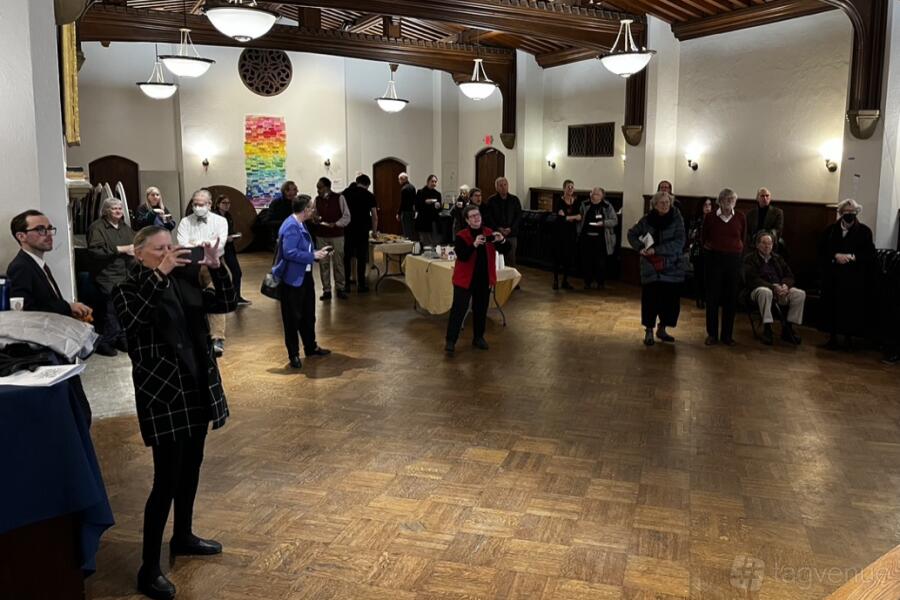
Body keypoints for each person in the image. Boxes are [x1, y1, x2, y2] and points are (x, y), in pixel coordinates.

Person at [113, 226, 235, 600]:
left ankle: (183, 534)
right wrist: (160, 273)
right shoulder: (126, 288)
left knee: (192, 466)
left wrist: (216, 266)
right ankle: (148, 568)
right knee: (165, 479)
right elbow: (132, 323)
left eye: (171, 247)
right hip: (164, 393)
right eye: (159, 250)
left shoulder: (184, 278)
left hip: (196, 386)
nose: (168, 253)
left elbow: (225, 303)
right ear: (139, 254)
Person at [8, 210, 95, 424]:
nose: (48, 234)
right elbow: (25, 312)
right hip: (43, 350)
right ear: (21, 236)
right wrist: (67, 307)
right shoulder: (21, 267)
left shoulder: (38, 264)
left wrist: (69, 308)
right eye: (40, 229)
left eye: (49, 228)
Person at [273, 194, 332, 369]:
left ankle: (310, 347)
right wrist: (313, 255)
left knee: (308, 315)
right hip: (292, 280)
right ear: (305, 209)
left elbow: (302, 249)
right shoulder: (291, 226)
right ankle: (293, 354)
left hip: (304, 277)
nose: (313, 210)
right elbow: (289, 252)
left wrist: (318, 253)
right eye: (311, 207)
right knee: (292, 319)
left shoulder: (300, 223)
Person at [445, 205, 509, 354]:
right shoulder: (461, 236)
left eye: (477, 215)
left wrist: (502, 240)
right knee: (458, 310)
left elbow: (506, 249)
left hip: (483, 280)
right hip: (465, 280)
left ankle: (478, 337)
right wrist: (473, 245)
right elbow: (462, 256)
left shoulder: (489, 233)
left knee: (480, 310)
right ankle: (450, 340)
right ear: (467, 220)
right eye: (472, 216)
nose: (476, 218)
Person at [627, 192, 685, 345]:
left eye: (667, 202)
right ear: (655, 205)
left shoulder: (677, 218)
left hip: (672, 266)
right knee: (650, 300)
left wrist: (657, 250)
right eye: (662, 203)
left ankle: (663, 328)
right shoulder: (647, 220)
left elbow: (680, 242)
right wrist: (640, 248)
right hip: (651, 267)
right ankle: (649, 330)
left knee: (670, 302)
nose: (665, 205)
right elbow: (631, 234)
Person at [176, 189, 229, 356]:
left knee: (215, 298)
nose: (197, 207)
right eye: (195, 204)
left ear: (209, 204)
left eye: (201, 204)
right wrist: (205, 243)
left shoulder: (220, 221)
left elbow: (219, 245)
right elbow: (183, 243)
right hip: (190, 265)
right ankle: (196, 335)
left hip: (213, 264)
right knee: (192, 300)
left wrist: (197, 243)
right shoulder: (185, 221)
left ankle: (218, 337)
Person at [819, 198, 875, 349]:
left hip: (853, 277)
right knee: (831, 306)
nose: (849, 215)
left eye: (852, 212)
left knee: (850, 308)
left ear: (856, 213)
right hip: (833, 275)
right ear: (841, 213)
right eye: (846, 212)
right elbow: (822, 250)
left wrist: (852, 256)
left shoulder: (864, 232)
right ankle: (832, 337)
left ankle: (848, 339)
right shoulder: (831, 231)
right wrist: (835, 256)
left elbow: (869, 254)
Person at [87, 197, 135, 356]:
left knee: (124, 308)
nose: (118, 211)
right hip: (107, 275)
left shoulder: (124, 227)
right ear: (106, 210)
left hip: (125, 274)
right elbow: (95, 251)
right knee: (110, 311)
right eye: (115, 209)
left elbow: (133, 244)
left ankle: (121, 338)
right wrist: (120, 249)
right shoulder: (97, 227)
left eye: (120, 209)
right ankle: (105, 341)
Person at [702, 188, 747, 346]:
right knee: (712, 299)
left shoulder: (740, 216)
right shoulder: (710, 217)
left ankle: (727, 335)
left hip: (734, 261)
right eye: (727, 199)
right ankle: (712, 334)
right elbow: (704, 237)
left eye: (732, 200)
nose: (730, 203)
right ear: (719, 201)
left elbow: (743, 238)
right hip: (715, 260)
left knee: (730, 299)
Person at [743, 231, 804, 345]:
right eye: (764, 243)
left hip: (779, 289)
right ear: (757, 245)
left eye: (769, 243)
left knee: (799, 294)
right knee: (765, 292)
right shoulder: (749, 259)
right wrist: (772, 287)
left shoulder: (777, 258)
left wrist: (785, 285)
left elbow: (789, 275)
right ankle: (767, 328)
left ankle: (788, 327)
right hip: (758, 290)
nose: (767, 246)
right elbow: (752, 279)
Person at [310, 177, 351, 301]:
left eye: (320, 187)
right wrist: (315, 218)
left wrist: (337, 224)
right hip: (321, 235)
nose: (318, 190)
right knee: (324, 264)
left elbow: (347, 216)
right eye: (317, 187)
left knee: (338, 263)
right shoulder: (317, 200)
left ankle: (340, 288)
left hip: (337, 235)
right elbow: (313, 214)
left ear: (327, 187)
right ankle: (326, 290)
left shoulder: (339, 198)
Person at [342, 174, 378, 293]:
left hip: (348, 229)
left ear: (357, 182)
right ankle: (361, 284)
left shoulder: (346, 193)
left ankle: (346, 283)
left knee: (347, 257)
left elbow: (341, 210)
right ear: (368, 185)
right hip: (362, 230)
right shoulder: (369, 195)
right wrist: (374, 231)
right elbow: (374, 216)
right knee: (361, 258)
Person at [213, 194, 250, 306]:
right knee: (218, 274)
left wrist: (235, 235)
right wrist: (225, 238)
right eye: (224, 203)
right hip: (217, 248)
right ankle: (221, 297)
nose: (227, 205)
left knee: (237, 272)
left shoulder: (228, 216)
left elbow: (229, 231)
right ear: (218, 204)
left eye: (228, 203)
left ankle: (236, 297)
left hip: (228, 247)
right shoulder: (214, 217)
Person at [577, 187, 618, 290]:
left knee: (600, 262)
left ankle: (600, 283)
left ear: (602, 196)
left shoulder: (607, 206)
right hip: (586, 238)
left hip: (601, 239)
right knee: (587, 261)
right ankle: (587, 282)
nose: (593, 195)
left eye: (596, 194)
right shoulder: (584, 204)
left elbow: (614, 220)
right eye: (592, 193)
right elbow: (579, 219)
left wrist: (603, 223)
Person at [486, 177, 522, 268]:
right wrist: (498, 228)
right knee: (497, 258)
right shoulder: (491, 201)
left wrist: (511, 228)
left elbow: (518, 216)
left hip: (511, 234)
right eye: (500, 185)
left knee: (511, 259)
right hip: (497, 234)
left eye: (505, 185)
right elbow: (489, 218)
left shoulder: (514, 200)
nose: (503, 187)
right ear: (496, 188)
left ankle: (512, 281)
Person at [552, 180, 581, 290]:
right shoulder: (559, 201)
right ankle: (555, 280)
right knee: (558, 256)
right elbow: (561, 219)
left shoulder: (576, 202)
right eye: (568, 187)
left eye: (572, 187)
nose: (570, 189)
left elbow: (579, 217)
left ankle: (565, 281)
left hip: (571, 233)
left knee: (568, 257)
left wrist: (568, 217)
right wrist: (572, 217)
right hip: (560, 233)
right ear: (564, 188)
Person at [688, 199, 713, 308]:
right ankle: (699, 299)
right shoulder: (696, 220)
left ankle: (707, 298)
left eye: (709, 205)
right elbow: (691, 235)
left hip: (710, 251)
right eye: (705, 205)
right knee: (698, 275)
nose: (707, 207)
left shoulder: (714, 219)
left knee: (708, 277)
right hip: (698, 250)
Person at [415, 174, 442, 247]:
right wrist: (425, 202)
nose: (434, 183)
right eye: (432, 181)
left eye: (435, 182)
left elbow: (439, 209)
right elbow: (417, 206)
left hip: (434, 221)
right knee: (425, 242)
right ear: (428, 182)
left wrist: (439, 206)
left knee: (434, 241)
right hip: (423, 221)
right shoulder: (420, 192)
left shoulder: (437, 194)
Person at [397, 172, 417, 240]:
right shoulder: (412, 187)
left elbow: (403, 203)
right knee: (411, 230)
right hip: (412, 211)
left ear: (402, 179)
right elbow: (415, 201)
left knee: (406, 231)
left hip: (405, 212)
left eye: (399, 179)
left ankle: (408, 245)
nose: (399, 181)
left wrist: (398, 213)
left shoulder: (404, 189)